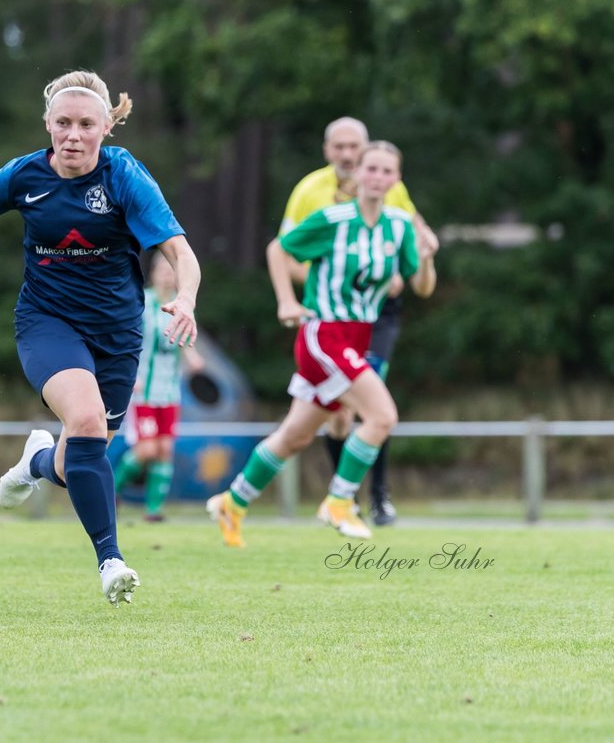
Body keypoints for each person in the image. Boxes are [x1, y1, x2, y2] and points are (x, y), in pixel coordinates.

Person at [0, 70, 199, 605]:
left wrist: (185, 298)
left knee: (76, 462)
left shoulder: (125, 178)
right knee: (86, 422)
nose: (72, 134)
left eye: (85, 124)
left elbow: (181, 253)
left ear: (107, 126)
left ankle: (36, 462)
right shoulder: (24, 176)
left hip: (117, 333)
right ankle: (110, 561)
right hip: (47, 322)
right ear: (47, 124)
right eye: (62, 123)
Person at [207, 141, 436, 547]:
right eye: (372, 169)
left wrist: (428, 256)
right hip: (324, 335)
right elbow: (278, 248)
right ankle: (339, 500)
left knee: (294, 436)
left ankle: (233, 501)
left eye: (387, 171)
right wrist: (286, 301)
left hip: (358, 337)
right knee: (382, 416)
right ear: (357, 174)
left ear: (397, 179)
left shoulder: (399, 226)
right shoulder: (333, 218)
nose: (378, 178)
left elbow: (418, 285)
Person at [277, 117, 438, 525]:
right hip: (330, 316)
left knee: (374, 403)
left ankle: (376, 497)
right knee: (339, 416)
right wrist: (321, 286)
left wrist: (402, 267)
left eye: (355, 147)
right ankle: (340, 495)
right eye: (340, 147)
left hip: (377, 314)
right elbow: (287, 253)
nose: (348, 155)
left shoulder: (391, 188)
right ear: (327, 150)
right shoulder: (310, 192)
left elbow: (411, 254)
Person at [112, 252, 205, 521]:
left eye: (171, 269)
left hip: (169, 392)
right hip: (144, 391)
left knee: (164, 450)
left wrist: (193, 357)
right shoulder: (143, 303)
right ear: (152, 273)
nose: (167, 274)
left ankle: (153, 510)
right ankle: (111, 492)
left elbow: (184, 337)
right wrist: (130, 375)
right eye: (162, 269)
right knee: (146, 450)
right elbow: (127, 340)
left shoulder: (182, 305)